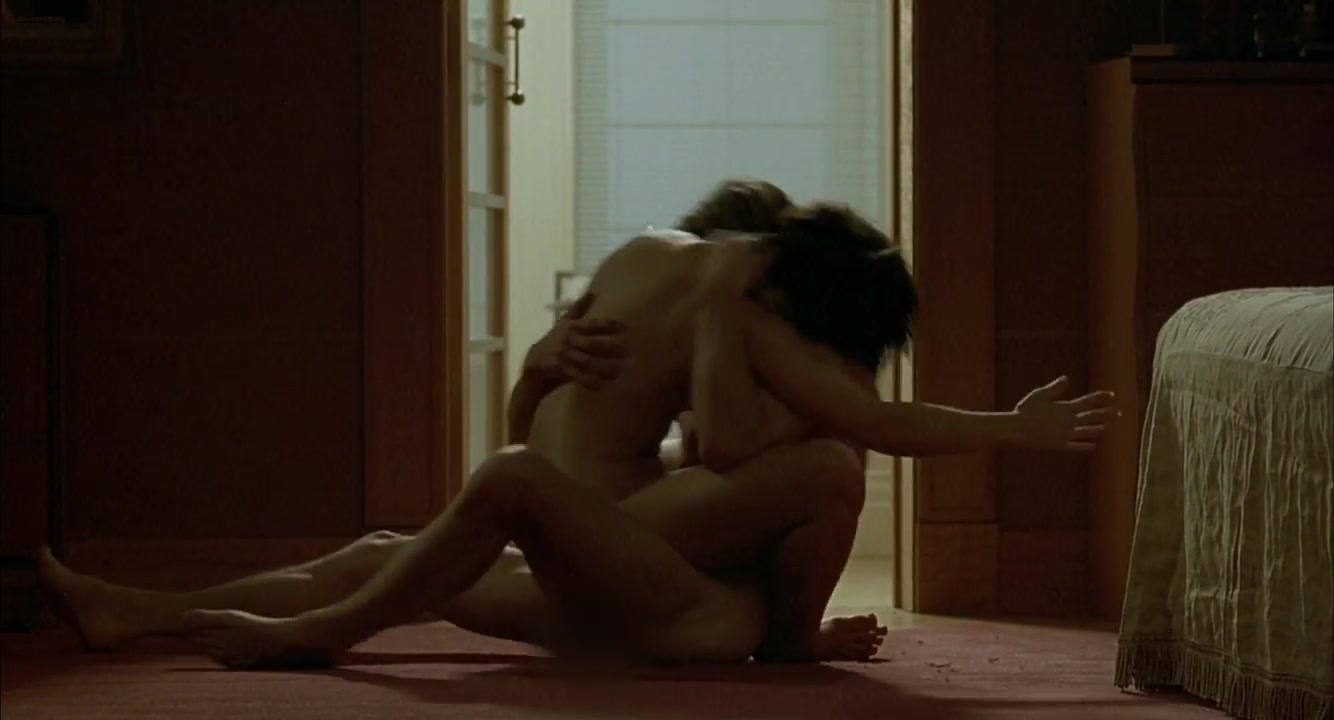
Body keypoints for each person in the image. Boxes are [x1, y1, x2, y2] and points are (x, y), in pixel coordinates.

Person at [40, 183, 1114, 669]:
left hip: (622, 570)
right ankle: (169, 614)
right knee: (829, 457)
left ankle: (182, 614)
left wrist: (539, 368)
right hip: (639, 585)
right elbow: (844, 425)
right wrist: (1011, 433)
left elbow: (548, 424)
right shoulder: (743, 297)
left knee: (445, 515)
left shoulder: (639, 258)